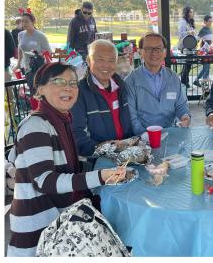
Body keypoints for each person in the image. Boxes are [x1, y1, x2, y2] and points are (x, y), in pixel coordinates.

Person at [7, 63, 127, 256]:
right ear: (40, 90)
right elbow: (45, 181)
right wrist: (101, 176)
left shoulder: (61, 120)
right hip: (39, 231)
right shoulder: (36, 125)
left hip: (60, 224)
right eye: (58, 81)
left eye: (73, 83)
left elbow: (69, 168)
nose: (68, 87)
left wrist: (110, 159)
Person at [70, 39, 135, 156]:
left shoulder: (122, 86)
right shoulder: (79, 92)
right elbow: (77, 134)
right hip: (97, 160)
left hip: (127, 153)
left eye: (111, 60)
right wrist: (107, 149)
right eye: (100, 60)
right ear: (88, 61)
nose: (106, 65)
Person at [125, 33, 190, 136]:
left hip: (170, 135)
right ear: (141, 52)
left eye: (158, 48)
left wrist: (185, 116)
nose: (154, 52)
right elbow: (132, 118)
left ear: (164, 52)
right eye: (148, 48)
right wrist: (146, 138)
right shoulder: (131, 81)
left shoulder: (173, 77)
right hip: (143, 139)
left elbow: (180, 105)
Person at [16, 11, 51, 79]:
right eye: (22, 21)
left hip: (39, 68)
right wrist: (18, 64)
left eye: (26, 21)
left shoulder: (41, 36)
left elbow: (49, 52)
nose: (24, 24)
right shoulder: (20, 35)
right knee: (32, 88)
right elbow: (20, 49)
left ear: (33, 22)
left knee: (37, 88)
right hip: (27, 68)